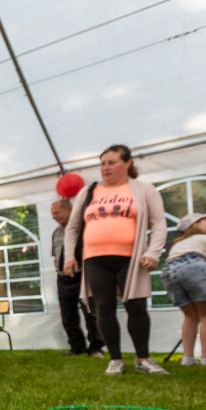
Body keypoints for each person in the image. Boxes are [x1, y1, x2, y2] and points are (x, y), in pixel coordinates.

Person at [63, 144, 169, 375]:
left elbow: (159, 223)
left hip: (131, 258)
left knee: (137, 306)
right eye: (102, 163)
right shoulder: (88, 191)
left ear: (127, 163)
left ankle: (143, 358)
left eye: (111, 162)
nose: (105, 167)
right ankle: (116, 359)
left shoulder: (143, 189)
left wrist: (153, 253)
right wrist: (70, 256)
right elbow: (72, 227)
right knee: (103, 308)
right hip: (95, 259)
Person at [161, 213, 206, 367]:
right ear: (195, 225)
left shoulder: (178, 244)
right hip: (194, 266)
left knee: (190, 316)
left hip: (169, 271)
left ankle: (187, 358)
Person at [50, 197, 104, 357]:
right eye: (52, 214)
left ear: (69, 211)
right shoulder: (56, 233)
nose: (54, 216)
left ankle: (95, 348)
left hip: (83, 276)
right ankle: (76, 347)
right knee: (68, 315)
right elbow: (56, 255)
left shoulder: (84, 229)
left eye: (57, 213)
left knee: (90, 314)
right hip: (63, 279)